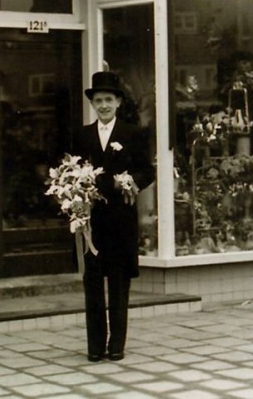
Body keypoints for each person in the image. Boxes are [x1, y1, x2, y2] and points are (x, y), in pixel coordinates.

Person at [71, 70, 155, 363]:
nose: (103, 105)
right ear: (92, 104)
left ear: (118, 102)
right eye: (98, 100)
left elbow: (148, 171)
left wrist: (131, 180)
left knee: (118, 284)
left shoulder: (132, 133)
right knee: (92, 283)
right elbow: (71, 173)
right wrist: (77, 197)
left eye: (108, 99)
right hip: (92, 222)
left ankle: (116, 345)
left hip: (120, 220)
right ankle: (94, 347)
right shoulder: (81, 135)